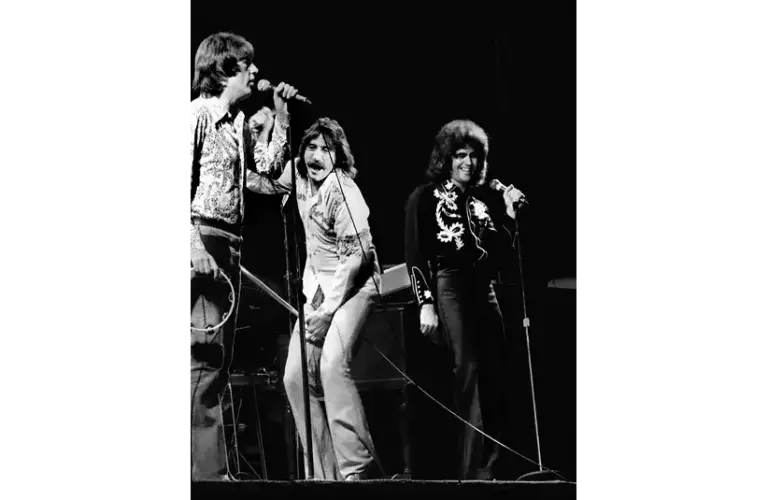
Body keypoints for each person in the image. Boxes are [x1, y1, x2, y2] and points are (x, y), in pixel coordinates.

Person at [183, 31, 298, 482]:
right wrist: (193, 247)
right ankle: (208, 475)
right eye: (248, 64)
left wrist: (282, 119)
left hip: (228, 241)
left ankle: (208, 470)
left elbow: (265, 175)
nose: (255, 72)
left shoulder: (234, 122)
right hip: (202, 238)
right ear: (227, 67)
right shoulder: (195, 113)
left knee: (218, 361)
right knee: (203, 360)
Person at [247, 117, 381, 481]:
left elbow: (358, 257)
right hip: (320, 288)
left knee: (332, 366)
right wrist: (260, 135)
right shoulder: (300, 177)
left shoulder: (344, 191)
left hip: (354, 286)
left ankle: (357, 469)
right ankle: (325, 475)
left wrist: (328, 310)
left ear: (338, 155)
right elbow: (265, 180)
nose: (316, 155)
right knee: (293, 377)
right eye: (311, 147)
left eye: (326, 149)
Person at [403, 119, 525, 480]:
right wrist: (425, 302)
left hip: (483, 287)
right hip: (450, 285)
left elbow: (501, 255)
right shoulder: (424, 197)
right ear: (446, 157)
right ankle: (471, 471)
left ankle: (492, 467)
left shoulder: (485, 201)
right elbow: (415, 253)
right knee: (467, 370)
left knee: (495, 372)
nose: (468, 163)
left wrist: (509, 215)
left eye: (473, 156)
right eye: (460, 155)